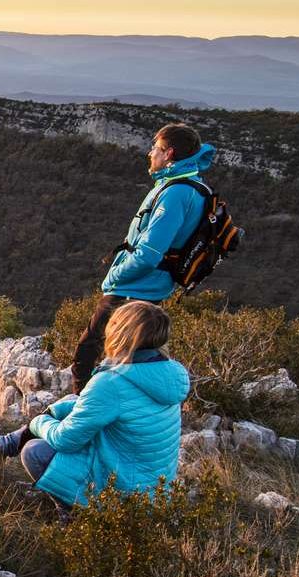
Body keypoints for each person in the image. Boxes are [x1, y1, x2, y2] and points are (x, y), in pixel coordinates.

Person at [0, 301, 189, 507]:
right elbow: (109, 406)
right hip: (155, 491)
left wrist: (38, 422)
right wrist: (54, 411)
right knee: (72, 401)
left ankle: (72, 513)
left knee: (34, 452)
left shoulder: (111, 383)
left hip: (124, 497)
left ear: (119, 334)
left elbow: (64, 440)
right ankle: (12, 441)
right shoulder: (169, 372)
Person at [71, 123, 216, 393]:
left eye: (155, 148)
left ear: (169, 153)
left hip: (133, 289)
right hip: (149, 287)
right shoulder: (188, 185)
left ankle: (84, 415)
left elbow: (149, 253)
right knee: (127, 359)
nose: (150, 153)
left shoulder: (175, 193)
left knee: (87, 354)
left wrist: (113, 277)